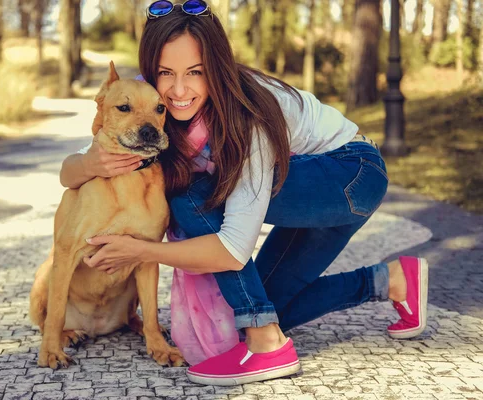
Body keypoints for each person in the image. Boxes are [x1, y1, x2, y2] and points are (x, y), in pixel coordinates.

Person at [60, 0, 429, 386]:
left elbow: (234, 248)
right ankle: (392, 280)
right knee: (264, 304)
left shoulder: (246, 117)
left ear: (216, 67)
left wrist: (142, 252)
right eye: (166, 72)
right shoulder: (148, 103)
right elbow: (69, 173)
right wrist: (91, 165)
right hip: (316, 192)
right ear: (151, 71)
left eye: (196, 72)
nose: (179, 89)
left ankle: (266, 344)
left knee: (192, 198)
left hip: (349, 174)